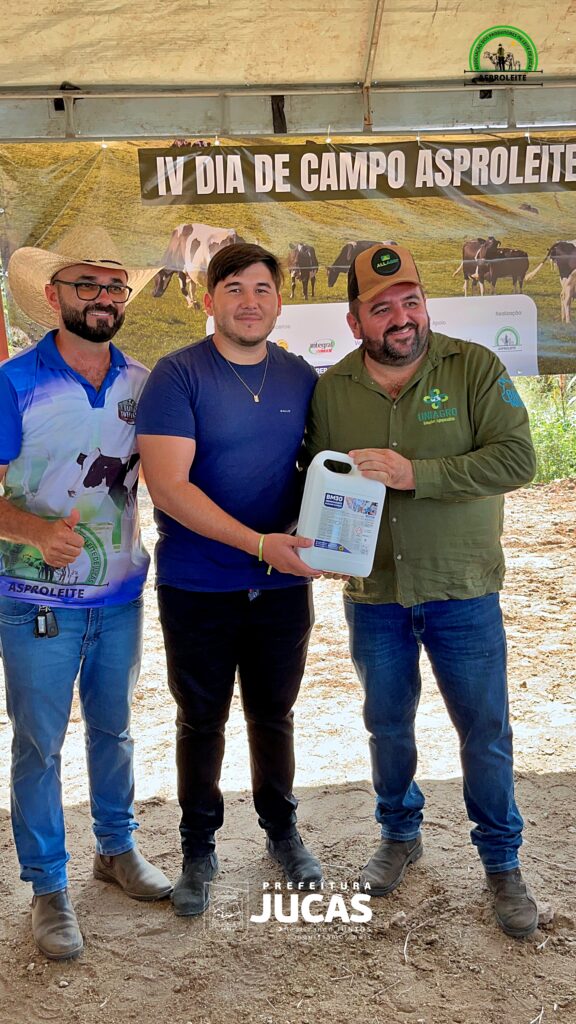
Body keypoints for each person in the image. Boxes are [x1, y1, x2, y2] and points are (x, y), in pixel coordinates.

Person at [305, 243, 539, 938]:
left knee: (485, 732)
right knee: (386, 724)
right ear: (355, 322)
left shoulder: (475, 368)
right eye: (382, 308)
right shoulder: (332, 389)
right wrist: (315, 540)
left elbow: (517, 459)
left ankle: (502, 863)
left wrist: (416, 474)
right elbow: (314, 475)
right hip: (374, 593)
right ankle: (399, 834)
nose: (401, 317)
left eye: (411, 302)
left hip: (461, 589)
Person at [0, 227, 173, 961]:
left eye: (114, 286)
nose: (103, 297)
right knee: (40, 744)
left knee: (115, 729)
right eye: (86, 285)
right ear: (53, 295)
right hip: (33, 598)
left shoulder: (144, 382)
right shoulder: (14, 382)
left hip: (120, 594)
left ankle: (116, 848)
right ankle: (48, 886)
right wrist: (34, 532)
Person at [136, 243, 323, 917]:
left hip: (282, 586)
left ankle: (282, 830)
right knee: (201, 718)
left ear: (279, 300)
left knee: (273, 713)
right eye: (235, 288)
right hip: (197, 584)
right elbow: (168, 487)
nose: (249, 301)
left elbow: (321, 470)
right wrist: (259, 545)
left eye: (262, 289)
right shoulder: (177, 375)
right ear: (210, 299)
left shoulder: (301, 377)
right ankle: (198, 848)